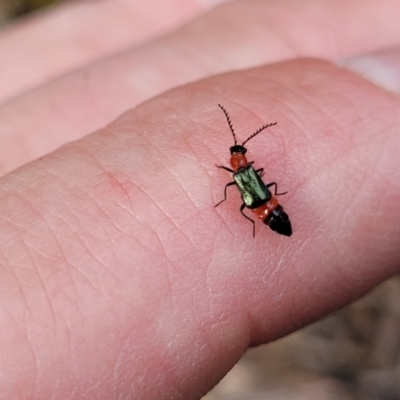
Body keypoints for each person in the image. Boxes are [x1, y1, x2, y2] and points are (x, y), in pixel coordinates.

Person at [0, 0, 399, 398]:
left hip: (268, 211)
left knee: (254, 199)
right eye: (238, 157)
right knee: (256, 199)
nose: (238, 161)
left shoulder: (239, 175)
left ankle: (270, 210)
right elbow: (249, 189)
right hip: (269, 210)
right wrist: (264, 200)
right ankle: (270, 210)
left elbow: (246, 191)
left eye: (238, 157)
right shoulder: (244, 174)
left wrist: (263, 202)